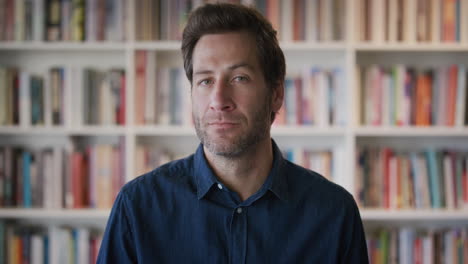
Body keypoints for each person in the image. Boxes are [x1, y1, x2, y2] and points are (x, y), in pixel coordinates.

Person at [97, 3, 369, 263]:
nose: (219, 99)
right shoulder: (137, 207)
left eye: (239, 78)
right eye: (205, 80)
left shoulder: (333, 212)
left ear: (276, 95)